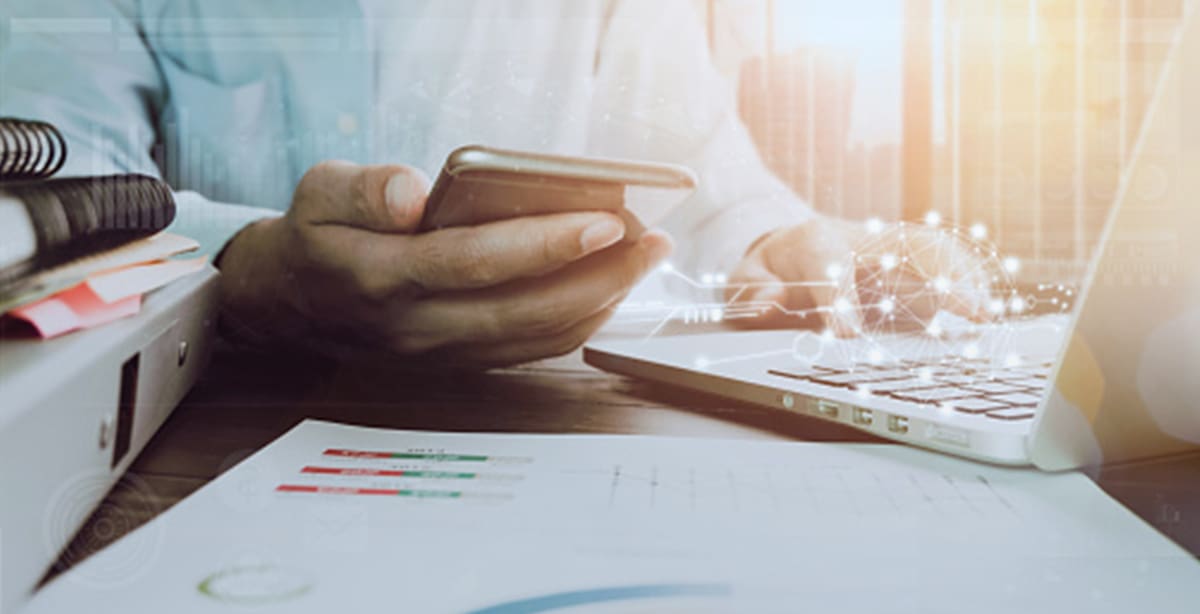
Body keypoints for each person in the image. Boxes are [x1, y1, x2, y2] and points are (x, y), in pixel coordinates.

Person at [0, 0, 987, 368]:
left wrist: (781, 246)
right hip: (193, 434)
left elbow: (715, 180)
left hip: (537, 424)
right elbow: (47, 206)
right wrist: (245, 265)